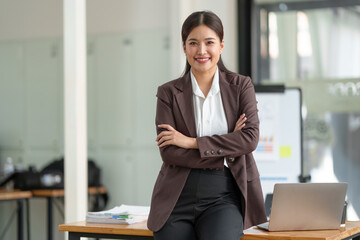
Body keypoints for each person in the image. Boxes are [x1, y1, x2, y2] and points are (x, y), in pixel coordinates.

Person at [147, 11, 266, 240]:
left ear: (221, 46)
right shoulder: (168, 93)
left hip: (223, 196)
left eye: (209, 42)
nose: (201, 51)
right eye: (193, 43)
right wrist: (229, 143)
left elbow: (249, 139)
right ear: (184, 48)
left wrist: (191, 142)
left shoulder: (241, 86)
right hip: (176, 196)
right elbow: (170, 153)